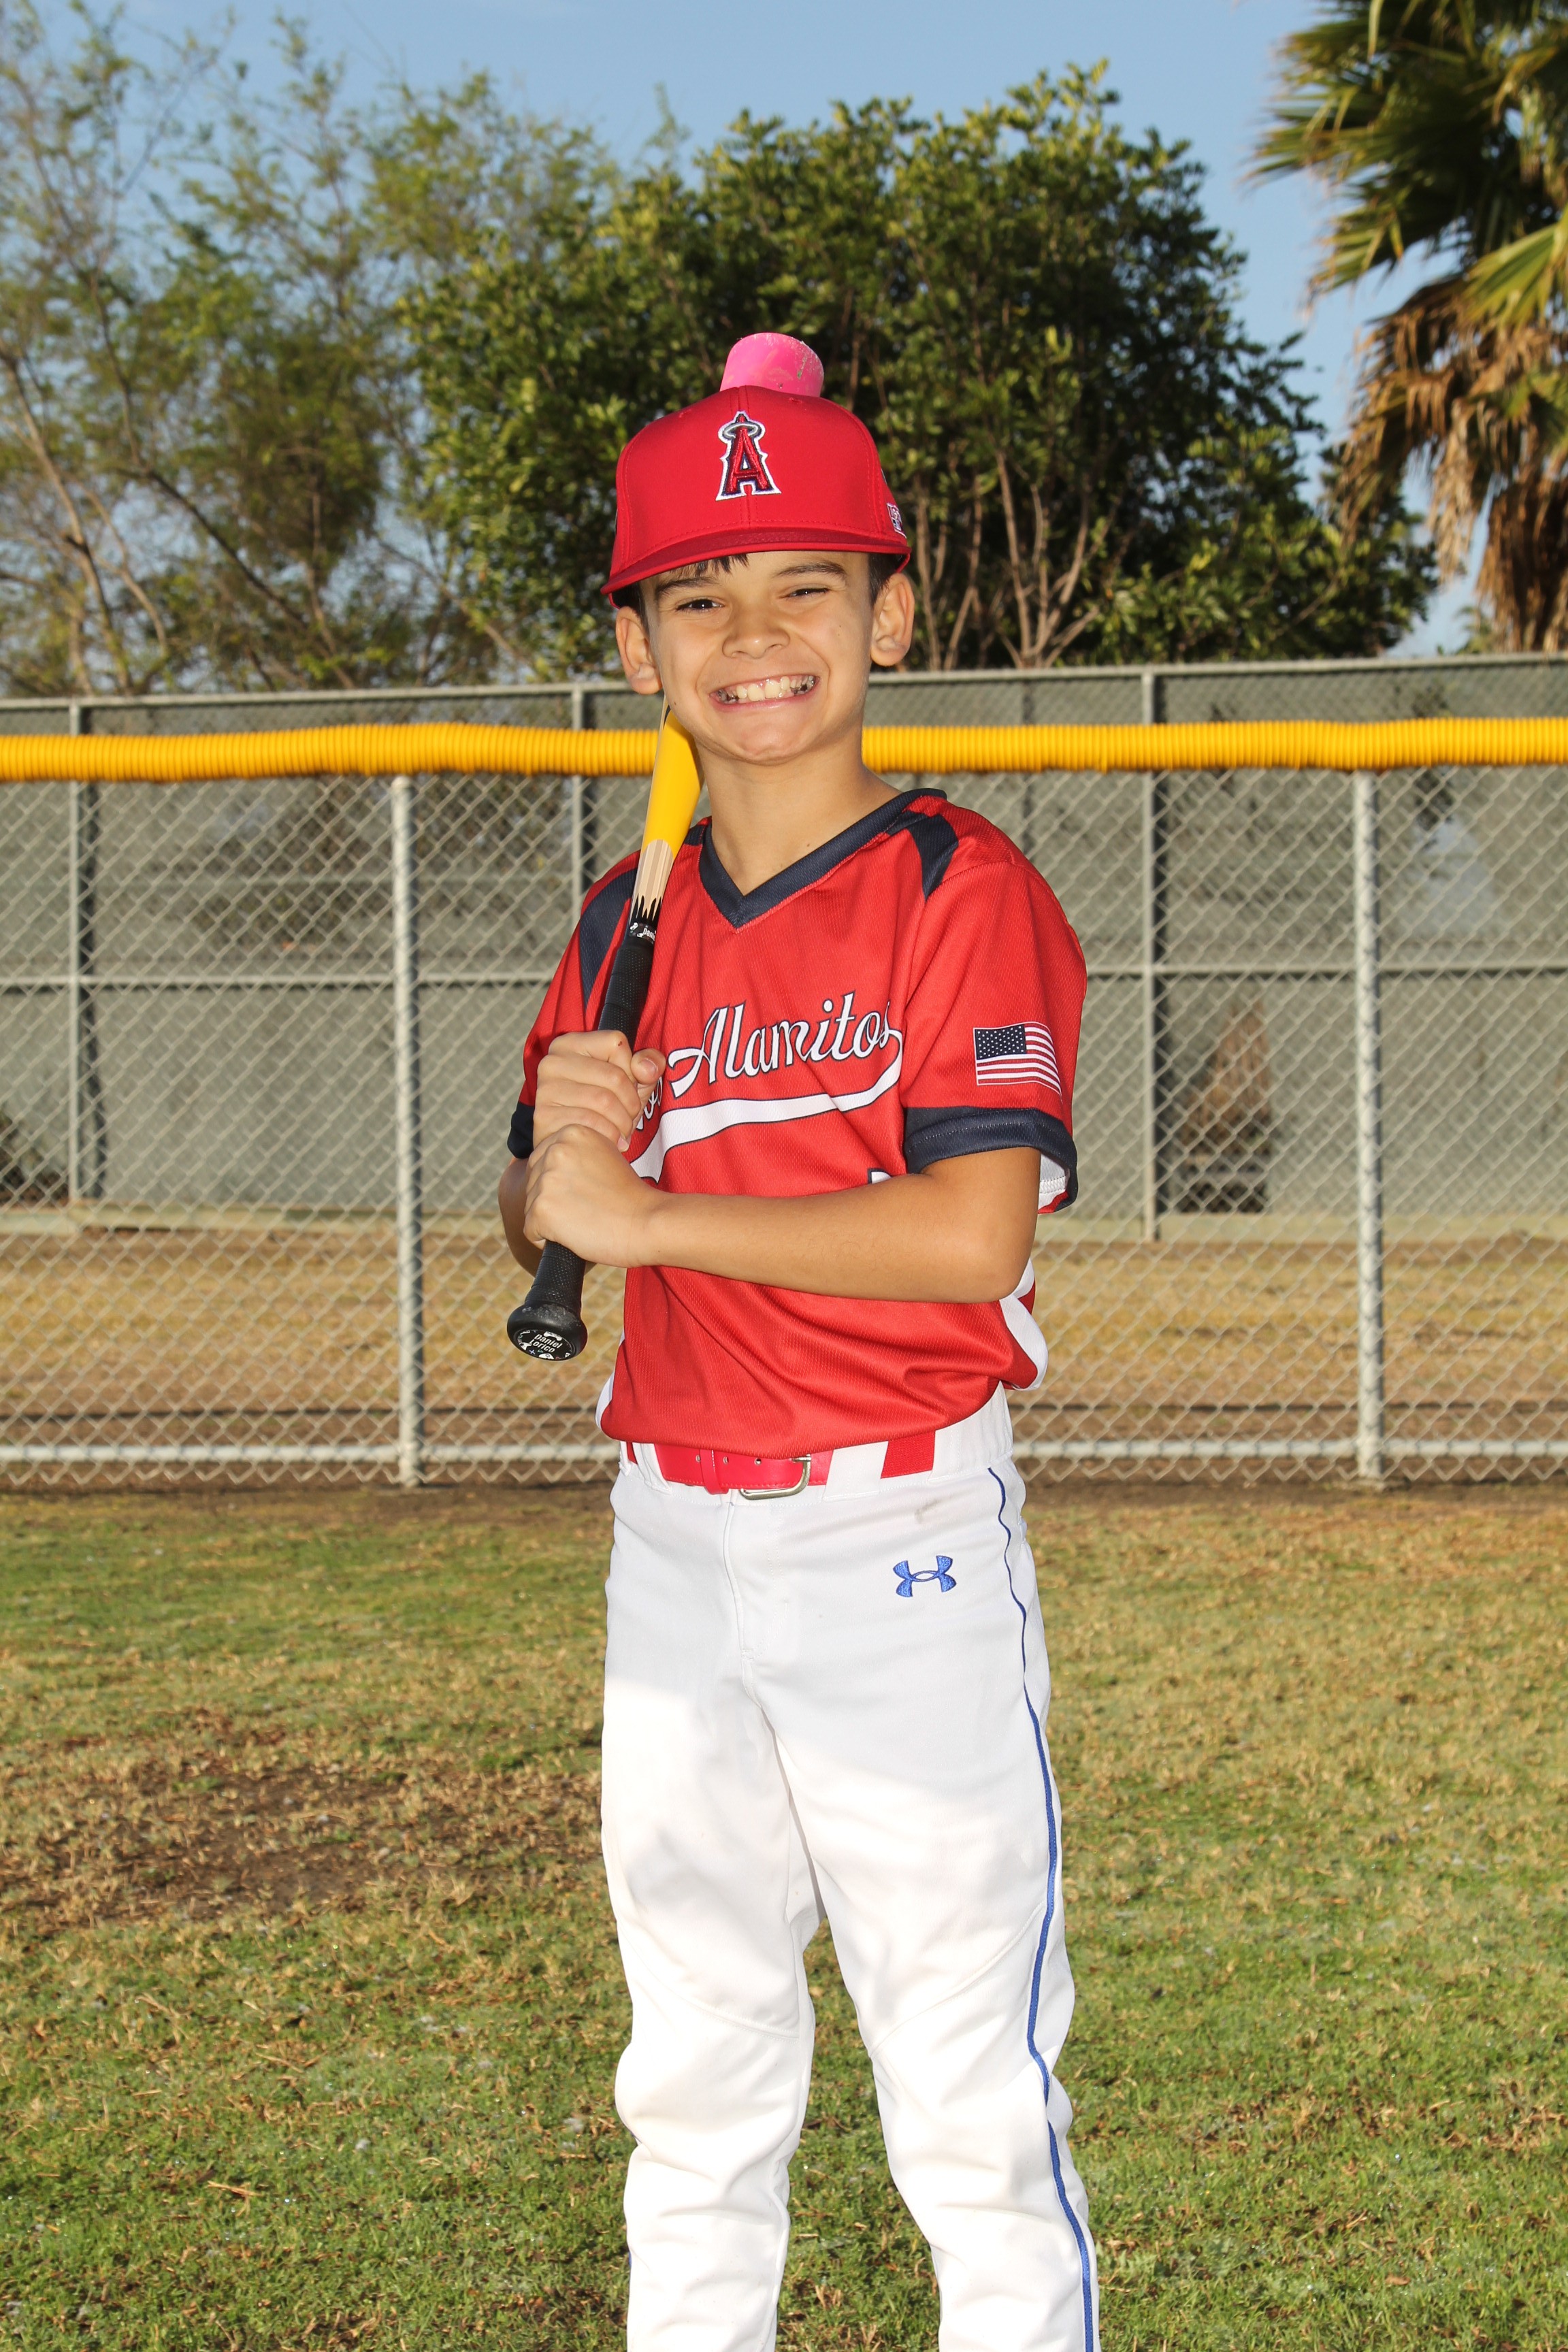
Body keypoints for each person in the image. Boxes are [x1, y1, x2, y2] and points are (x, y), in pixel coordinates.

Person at [499, 332, 1098, 2352]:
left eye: (805, 586)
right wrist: (555, 1171)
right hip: (671, 1543)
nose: (752, 637)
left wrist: (650, 1212)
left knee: (967, 2092)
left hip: (894, 1543)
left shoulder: (957, 885)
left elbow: (969, 1233)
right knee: (695, 2075)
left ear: (890, 616)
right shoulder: (623, 917)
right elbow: (543, 1222)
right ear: (641, 649)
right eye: (698, 599)